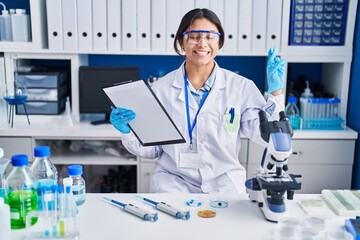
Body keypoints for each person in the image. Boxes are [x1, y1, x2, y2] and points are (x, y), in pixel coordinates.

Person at [110, 8, 286, 194]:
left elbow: (266, 135)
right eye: (194, 36)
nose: (203, 43)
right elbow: (152, 151)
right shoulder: (161, 89)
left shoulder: (240, 87)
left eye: (210, 37)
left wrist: (276, 93)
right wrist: (128, 131)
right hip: (173, 183)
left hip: (223, 183)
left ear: (219, 43)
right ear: (181, 42)